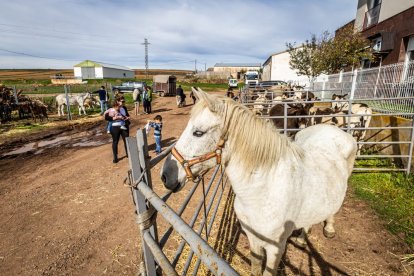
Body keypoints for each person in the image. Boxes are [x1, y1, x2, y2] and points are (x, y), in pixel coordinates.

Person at [105, 99, 130, 163]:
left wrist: (127, 117)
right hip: (115, 127)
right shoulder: (111, 109)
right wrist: (114, 118)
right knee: (115, 141)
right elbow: (106, 117)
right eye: (121, 101)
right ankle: (115, 157)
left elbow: (127, 114)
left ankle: (128, 154)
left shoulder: (124, 108)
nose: (122, 103)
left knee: (127, 140)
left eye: (123, 101)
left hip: (124, 126)